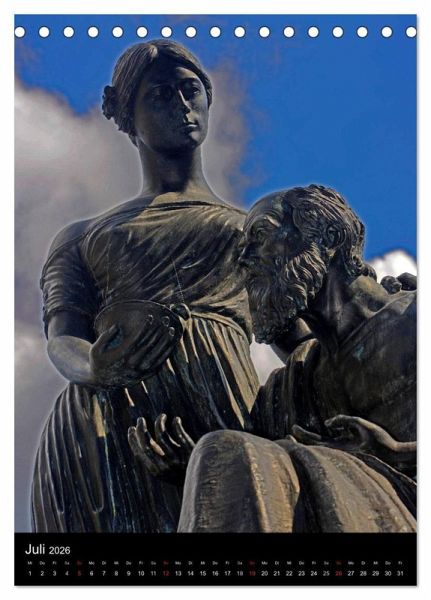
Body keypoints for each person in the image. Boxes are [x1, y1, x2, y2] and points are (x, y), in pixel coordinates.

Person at [31, 40, 259, 533]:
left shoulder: (253, 231)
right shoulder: (80, 237)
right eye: (159, 95)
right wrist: (94, 367)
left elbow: (307, 335)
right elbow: (63, 337)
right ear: (126, 116)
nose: (181, 105)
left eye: (190, 90)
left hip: (219, 404)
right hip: (100, 424)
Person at [171, 185, 416, 533]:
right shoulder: (299, 380)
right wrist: (195, 468)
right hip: (351, 507)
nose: (245, 259)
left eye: (261, 236)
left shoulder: (414, 316)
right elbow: (251, 467)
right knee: (222, 451)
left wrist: (396, 453)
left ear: (329, 239)